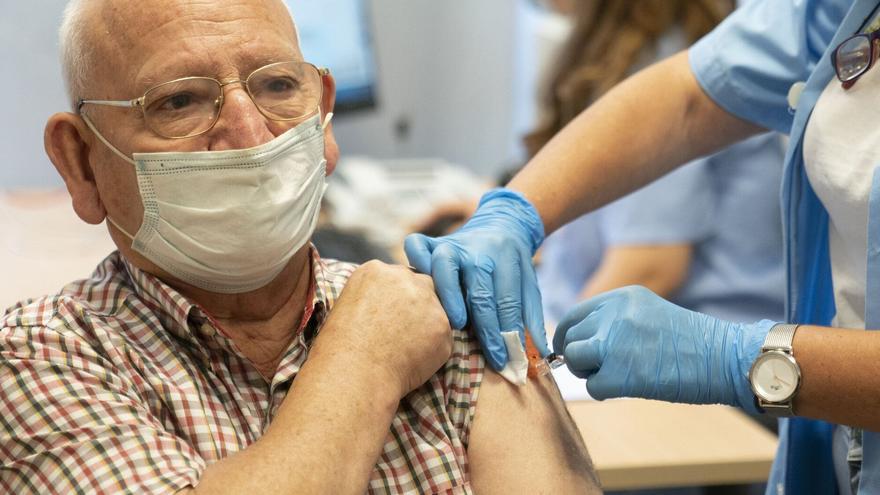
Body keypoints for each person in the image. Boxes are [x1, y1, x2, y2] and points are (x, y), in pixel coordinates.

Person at [0, 1, 601, 493]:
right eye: (178, 101)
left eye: (278, 85)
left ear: (323, 118)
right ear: (81, 162)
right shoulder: (36, 360)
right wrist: (367, 358)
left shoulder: (441, 313)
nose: (249, 131)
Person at [404, 0, 880, 493]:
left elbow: (653, 262)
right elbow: (689, 98)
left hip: (761, 404)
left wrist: (736, 356)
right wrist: (513, 210)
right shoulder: (840, 10)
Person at [530, 0, 786, 328]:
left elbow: (649, 267)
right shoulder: (648, 53)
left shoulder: (660, 67)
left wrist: (541, 362)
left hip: (694, 355)